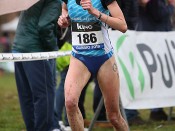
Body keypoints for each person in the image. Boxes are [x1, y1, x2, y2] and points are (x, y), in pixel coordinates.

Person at [58, 0, 128, 130]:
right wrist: (64, 19)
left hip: (104, 58)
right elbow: (65, 9)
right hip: (79, 57)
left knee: (114, 117)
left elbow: (123, 25)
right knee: (70, 103)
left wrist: (96, 13)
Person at [12, 0, 61, 130]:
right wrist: (52, 47)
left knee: (26, 96)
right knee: (44, 95)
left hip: (19, 47)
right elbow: (44, 26)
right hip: (36, 51)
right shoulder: (55, 2)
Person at [135, 0, 175, 121]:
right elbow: (158, 13)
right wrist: (172, 5)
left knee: (160, 75)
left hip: (157, 39)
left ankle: (158, 110)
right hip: (152, 42)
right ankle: (155, 110)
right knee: (153, 75)